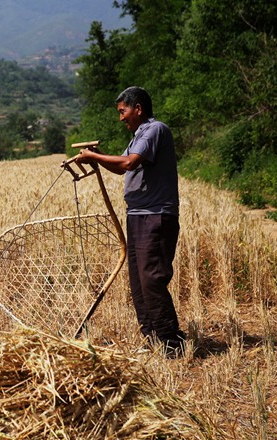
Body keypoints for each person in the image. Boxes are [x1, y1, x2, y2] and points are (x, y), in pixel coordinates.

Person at [76, 86, 186, 356]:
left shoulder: (154, 129)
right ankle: (152, 338)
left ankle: (171, 342)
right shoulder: (138, 135)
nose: (121, 118)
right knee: (137, 280)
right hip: (138, 216)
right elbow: (120, 165)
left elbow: (129, 163)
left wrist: (95, 157)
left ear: (138, 108)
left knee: (151, 278)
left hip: (155, 215)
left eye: (123, 111)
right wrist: (96, 161)